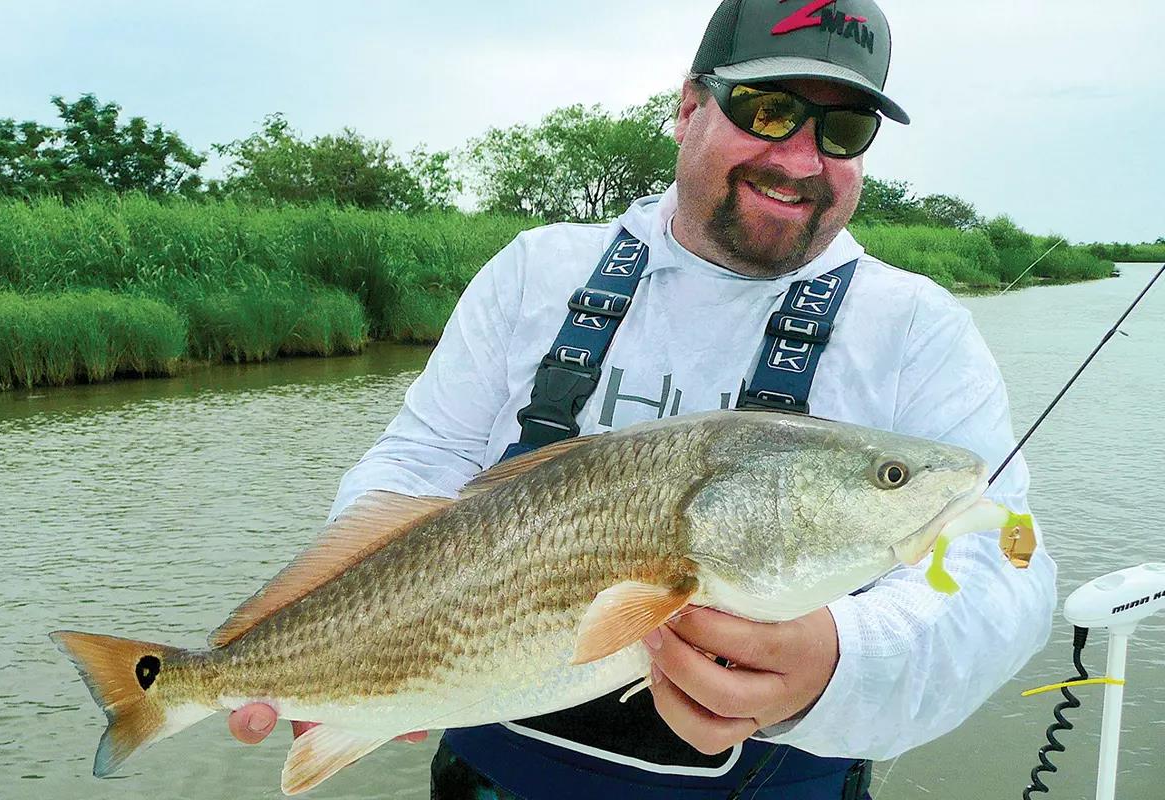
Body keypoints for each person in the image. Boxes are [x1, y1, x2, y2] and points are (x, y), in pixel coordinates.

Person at [228, 0, 1057, 797]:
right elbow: (422, 461)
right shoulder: (535, 271)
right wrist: (351, 632)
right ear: (689, 107)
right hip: (487, 771)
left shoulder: (917, 329)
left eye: (842, 130)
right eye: (768, 110)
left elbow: (1002, 564)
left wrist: (841, 660)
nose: (801, 160)